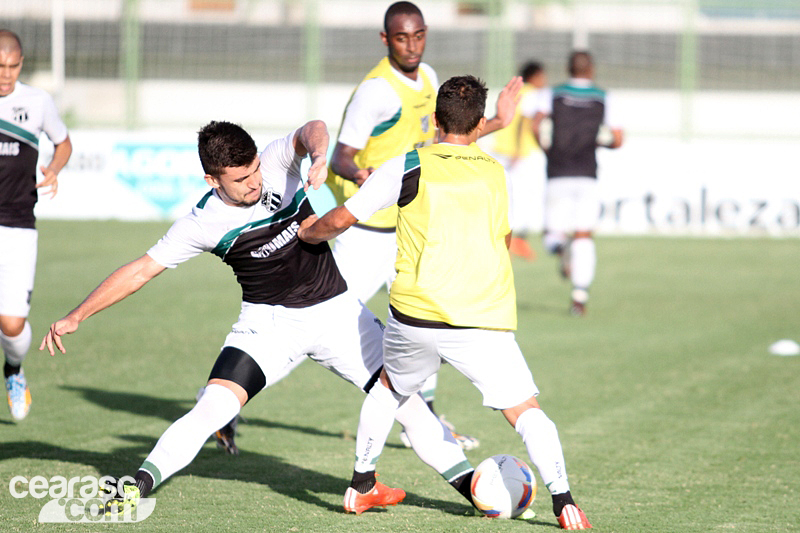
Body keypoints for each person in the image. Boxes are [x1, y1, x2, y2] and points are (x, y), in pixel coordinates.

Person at [40, 120, 473, 514]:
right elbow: (139, 270)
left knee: (410, 406)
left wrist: (319, 157)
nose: (253, 183)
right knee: (211, 409)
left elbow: (313, 129)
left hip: (339, 314)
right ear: (212, 179)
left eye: (254, 172)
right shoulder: (203, 223)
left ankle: (474, 488)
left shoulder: (276, 162)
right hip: (268, 327)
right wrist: (78, 315)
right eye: (240, 179)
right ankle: (133, 487)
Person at [299, 75, 592, 530]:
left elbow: (343, 217)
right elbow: (506, 237)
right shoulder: (495, 172)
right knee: (527, 413)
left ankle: (361, 484)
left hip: (416, 317)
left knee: (389, 391)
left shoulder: (407, 163)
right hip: (481, 318)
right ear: (479, 124)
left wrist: (306, 234)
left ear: (433, 119)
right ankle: (565, 502)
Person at [326, 1, 521, 450]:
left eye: (417, 36)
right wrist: (361, 177)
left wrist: (497, 122)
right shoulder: (376, 91)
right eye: (401, 37)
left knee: (427, 321)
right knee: (318, 319)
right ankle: (225, 401)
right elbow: (342, 155)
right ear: (385, 39)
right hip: (366, 232)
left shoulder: (430, 78)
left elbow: (446, 141)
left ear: (426, 34)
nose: (411, 45)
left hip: (406, 229)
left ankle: (427, 427)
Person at [1, 29, 72, 421]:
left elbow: (63, 143)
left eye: (12, 67)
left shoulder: (37, 102)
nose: (5, 75)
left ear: (21, 64)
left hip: (17, 226)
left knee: (12, 326)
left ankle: (13, 369)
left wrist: (54, 169)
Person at [527, 50, 623, 316]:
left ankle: (561, 249)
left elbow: (535, 126)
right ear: (591, 70)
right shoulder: (604, 98)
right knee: (584, 234)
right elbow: (618, 138)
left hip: (558, 170)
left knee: (551, 237)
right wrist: (598, 141)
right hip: (587, 173)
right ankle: (579, 298)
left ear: (568, 68)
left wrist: (546, 149)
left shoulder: (551, 93)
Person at [486, 60, 547, 261]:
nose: (544, 80)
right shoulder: (532, 93)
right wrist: (518, 149)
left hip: (502, 148)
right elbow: (524, 121)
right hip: (518, 152)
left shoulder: (516, 92)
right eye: (542, 76)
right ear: (534, 76)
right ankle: (515, 241)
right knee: (522, 196)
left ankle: (504, 240)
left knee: (505, 196)